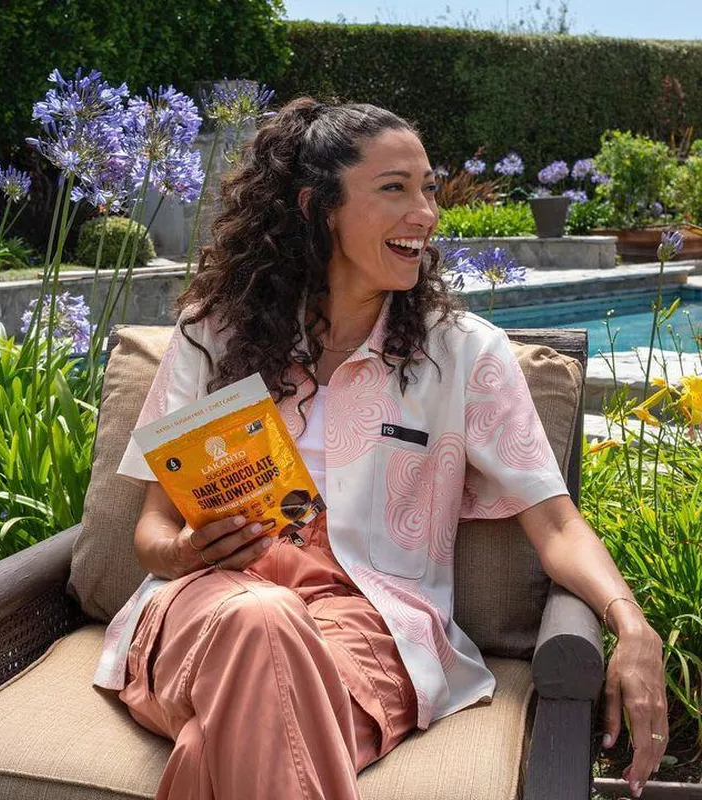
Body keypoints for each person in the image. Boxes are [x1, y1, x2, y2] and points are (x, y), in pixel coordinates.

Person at [95, 97, 668, 800]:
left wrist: (633, 625)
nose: (425, 212)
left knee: (237, 722)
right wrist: (185, 553)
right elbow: (153, 532)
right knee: (260, 618)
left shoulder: (463, 355)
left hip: (370, 628)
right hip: (207, 608)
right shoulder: (214, 334)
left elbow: (555, 524)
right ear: (317, 206)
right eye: (394, 188)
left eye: (427, 187)